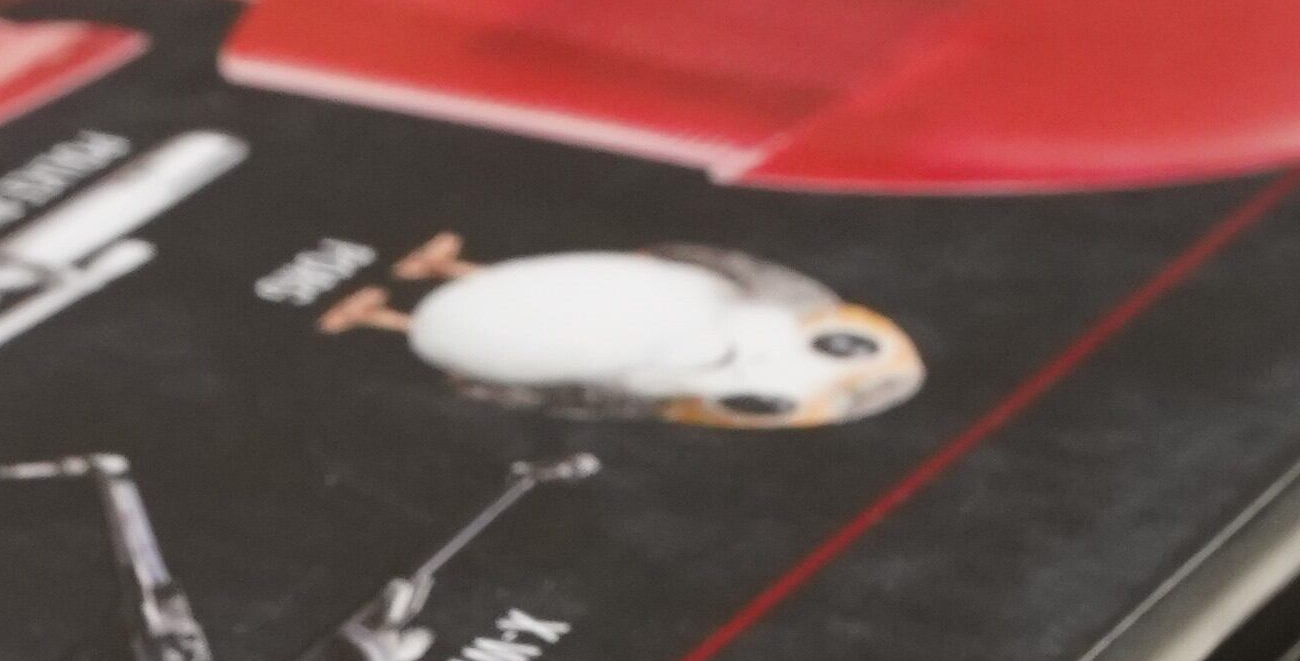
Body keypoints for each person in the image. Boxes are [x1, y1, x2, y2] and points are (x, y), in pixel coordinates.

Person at [319, 233, 924, 429]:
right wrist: (673, 258)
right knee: (548, 291)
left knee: (532, 326)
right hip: (659, 301)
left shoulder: (679, 394)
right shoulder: (795, 304)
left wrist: (492, 387)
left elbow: (586, 400)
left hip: (598, 350)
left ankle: (385, 318)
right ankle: (439, 272)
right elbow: (740, 266)